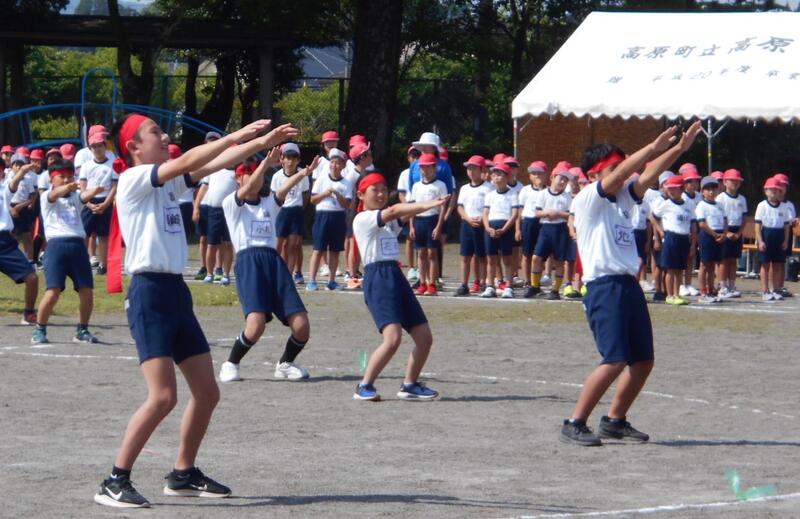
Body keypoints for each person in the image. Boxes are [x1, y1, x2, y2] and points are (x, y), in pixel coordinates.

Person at [93, 113, 297, 508]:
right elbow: (189, 160)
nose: (163, 135)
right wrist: (236, 134)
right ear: (133, 147)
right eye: (154, 132)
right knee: (163, 397)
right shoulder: (133, 178)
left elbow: (215, 162)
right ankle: (114, 480)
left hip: (175, 292)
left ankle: (182, 473)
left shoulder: (166, 183)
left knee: (206, 391)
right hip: (150, 293)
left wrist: (261, 143)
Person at [561, 121, 701, 447]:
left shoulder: (624, 199)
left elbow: (648, 175)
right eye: (613, 168)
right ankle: (575, 422)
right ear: (594, 175)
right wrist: (651, 147)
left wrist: (678, 149)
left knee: (643, 360)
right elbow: (626, 172)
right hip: (603, 286)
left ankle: (614, 420)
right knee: (614, 359)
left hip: (628, 284)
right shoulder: (588, 198)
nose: (622, 175)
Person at [218, 147, 313, 383]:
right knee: (256, 325)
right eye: (247, 174)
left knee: (302, 325)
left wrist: (303, 173)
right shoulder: (231, 204)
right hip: (249, 263)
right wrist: (266, 164)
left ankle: (285, 364)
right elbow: (250, 186)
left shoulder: (268, 203)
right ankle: (231, 363)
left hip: (273, 262)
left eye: (257, 174)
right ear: (237, 179)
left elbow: (282, 190)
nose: (254, 178)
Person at [351, 172, 448, 401]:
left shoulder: (388, 222)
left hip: (396, 276)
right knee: (392, 339)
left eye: (384, 189)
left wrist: (425, 206)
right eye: (375, 190)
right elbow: (395, 210)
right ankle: (364, 386)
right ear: (361, 195)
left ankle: (410, 385)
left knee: (424, 338)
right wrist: (429, 203)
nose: (381, 194)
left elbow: (401, 214)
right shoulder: (362, 219)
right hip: (378, 278)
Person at [32, 160, 104, 345]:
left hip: (78, 246)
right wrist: (68, 186)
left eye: (70, 176)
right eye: (61, 177)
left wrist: (96, 190)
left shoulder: (74, 197)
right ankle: (40, 329)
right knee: (53, 291)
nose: (66, 180)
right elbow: (55, 193)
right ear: (51, 179)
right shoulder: (47, 196)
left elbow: (83, 196)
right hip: (56, 247)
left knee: (87, 291)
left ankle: (82, 329)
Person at [1, 157, 39, 325]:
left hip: (4, 243)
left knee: (32, 278)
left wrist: (23, 170)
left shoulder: (3, 190)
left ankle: (29, 313)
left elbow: (13, 184)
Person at [307, 148, 351, 290]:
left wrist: (337, 194)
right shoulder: (322, 179)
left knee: (335, 251)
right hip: (322, 216)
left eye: (337, 163)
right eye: (332, 162)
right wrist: (325, 194)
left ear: (343, 165)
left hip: (338, 217)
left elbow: (347, 204)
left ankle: (332, 281)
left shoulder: (347, 183)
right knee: (318, 249)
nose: (334, 165)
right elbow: (313, 199)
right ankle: (312, 280)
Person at [78, 131, 119, 275]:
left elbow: (114, 186)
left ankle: (103, 264)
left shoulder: (112, 164)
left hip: (105, 201)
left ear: (105, 146)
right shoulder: (86, 166)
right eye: (94, 146)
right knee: (84, 233)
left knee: (103, 235)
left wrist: (106, 204)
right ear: (90, 149)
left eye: (100, 146)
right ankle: (82, 261)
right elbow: (82, 187)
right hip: (89, 201)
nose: (97, 149)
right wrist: (88, 204)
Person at [408, 153, 448, 296]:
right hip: (419, 220)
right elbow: (412, 207)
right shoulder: (416, 186)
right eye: (422, 168)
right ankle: (422, 282)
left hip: (432, 220)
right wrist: (411, 226)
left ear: (434, 168)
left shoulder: (440, 185)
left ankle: (432, 283)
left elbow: (442, 208)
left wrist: (439, 226)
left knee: (432, 253)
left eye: (428, 167)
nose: (425, 171)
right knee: (421, 253)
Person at [530, 166, 573, 300]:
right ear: (552, 177)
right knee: (536, 257)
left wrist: (558, 213)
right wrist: (547, 213)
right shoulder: (543, 194)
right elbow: (537, 213)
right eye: (561, 178)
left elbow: (571, 215)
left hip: (561, 230)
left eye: (566, 180)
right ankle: (535, 286)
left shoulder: (567, 197)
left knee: (559, 261)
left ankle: (555, 290)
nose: (563, 182)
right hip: (546, 229)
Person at [652, 174, 695, 306]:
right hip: (671, 237)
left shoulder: (689, 204)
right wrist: (660, 231)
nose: (670, 191)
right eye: (669, 188)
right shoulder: (666, 204)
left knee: (679, 269)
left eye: (674, 188)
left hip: (684, 238)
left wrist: (693, 242)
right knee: (670, 269)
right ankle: (669, 295)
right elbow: (653, 216)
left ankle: (677, 294)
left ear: (681, 188)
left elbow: (693, 223)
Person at [271, 143, 310, 285]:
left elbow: (305, 196)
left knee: (293, 245)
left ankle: (289, 274)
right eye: (288, 157)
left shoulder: (303, 175)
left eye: (294, 157)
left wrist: (300, 209)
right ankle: (275, 271)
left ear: (298, 160)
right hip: (281, 212)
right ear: (282, 159)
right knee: (278, 245)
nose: (290, 161)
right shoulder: (277, 176)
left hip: (296, 211)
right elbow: (272, 196)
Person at [481, 162, 520, 298]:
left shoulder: (513, 194)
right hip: (491, 228)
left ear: (507, 176)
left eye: (499, 174)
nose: (496, 177)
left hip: (506, 228)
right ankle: (490, 286)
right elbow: (485, 213)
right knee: (491, 258)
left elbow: (514, 214)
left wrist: (504, 229)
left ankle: (509, 286)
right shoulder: (490, 195)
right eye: (494, 175)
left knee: (507, 258)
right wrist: (487, 228)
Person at [197, 162, 237, 286]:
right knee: (211, 244)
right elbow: (204, 188)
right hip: (214, 210)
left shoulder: (237, 172)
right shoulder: (214, 169)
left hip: (230, 211)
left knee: (228, 244)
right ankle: (209, 274)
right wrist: (196, 207)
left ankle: (226, 274)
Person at [455, 155, 490, 296]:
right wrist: (468, 219)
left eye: (474, 168)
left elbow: (490, 207)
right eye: (469, 168)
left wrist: (483, 218)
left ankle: (483, 282)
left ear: (482, 170)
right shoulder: (464, 188)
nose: (471, 171)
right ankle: (464, 284)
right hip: (467, 224)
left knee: (482, 255)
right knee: (465, 256)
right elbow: (460, 207)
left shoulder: (489, 188)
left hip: (482, 224)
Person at [191, 131, 223, 281]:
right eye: (209, 142)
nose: (211, 144)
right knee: (204, 238)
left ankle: (218, 268)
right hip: (204, 204)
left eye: (215, 141)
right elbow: (200, 187)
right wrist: (196, 207)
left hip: (216, 206)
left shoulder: (224, 162)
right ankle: (204, 267)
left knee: (218, 239)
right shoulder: (200, 161)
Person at [755, 176, 791, 302]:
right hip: (766, 235)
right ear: (766, 191)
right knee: (765, 264)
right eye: (771, 189)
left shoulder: (784, 207)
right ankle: (765, 290)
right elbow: (757, 225)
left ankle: (776, 289)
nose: (774, 192)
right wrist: (760, 241)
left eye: (777, 189)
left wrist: (785, 240)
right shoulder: (762, 205)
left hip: (779, 236)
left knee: (777, 264)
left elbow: (786, 225)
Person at [694, 176, 727, 303]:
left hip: (719, 235)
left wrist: (724, 234)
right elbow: (702, 224)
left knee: (712, 265)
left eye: (714, 189)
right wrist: (714, 234)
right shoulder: (701, 205)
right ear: (702, 191)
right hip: (707, 236)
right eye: (708, 189)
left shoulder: (720, 205)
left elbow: (725, 220)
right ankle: (703, 292)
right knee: (704, 265)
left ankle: (711, 290)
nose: (711, 192)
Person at [715, 168, 747, 298]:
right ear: (725, 182)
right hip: (724, 230)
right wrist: (726, 232)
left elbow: (744, 218)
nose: (735, 183)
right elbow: (718, 216)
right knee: (723, 260)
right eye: (732, 180)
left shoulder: (742, 199)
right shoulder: (720, 198)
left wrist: (739, 233)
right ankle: (722, 286)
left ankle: (732, 285)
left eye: (737, 181)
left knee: (733, 260)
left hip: (737, 230)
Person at [518, 161, 546, 298]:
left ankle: (537, 282)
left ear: (546, 175)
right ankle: (527, 281)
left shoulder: (548, 191)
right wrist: (518, 228)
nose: (537, 176)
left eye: (539, 173)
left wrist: (541, 189)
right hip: (528, 222)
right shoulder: (525, 190)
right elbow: (520, 209)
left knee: (540, 255)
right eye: (534, 173)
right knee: (527, 254)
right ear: (529, 176)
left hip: (543, 223)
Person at [398, 146, 421, 282]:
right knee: (409, 238)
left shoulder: (423, 171)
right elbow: (401, 193)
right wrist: (408, 206)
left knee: (420, 238)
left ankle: (419, 266)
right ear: (408, 158)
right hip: (409, 208)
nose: (415, 159)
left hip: (422, 208)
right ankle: (412, 267)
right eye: (412, 156)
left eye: (417, 156)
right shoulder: (405, 174)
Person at [9, 152, 37, 262]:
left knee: (27, 235)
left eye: (21, 165)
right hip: (10, 207)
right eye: (16, 165)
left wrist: (22, 206)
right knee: (10, 235)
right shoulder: (7, 178)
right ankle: (11, 259)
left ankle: (30, 260)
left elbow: (32, 196)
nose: (18, 167)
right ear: (11, 166)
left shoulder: (28, 179)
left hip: (24, 207)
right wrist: (12, 209)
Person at [678, 163, 701, 298]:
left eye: (696, 181)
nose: (694, 184)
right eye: (691, 181)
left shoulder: (699, 196)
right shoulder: (682, 196)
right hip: (684, 229)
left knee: (691, 257)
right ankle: (680, 284)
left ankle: (688, 283)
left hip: (695, 229)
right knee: (682, 257)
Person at [772, 173, 795, 298]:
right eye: (779, 185)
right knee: (773, 262)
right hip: (774, 233)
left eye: (784, 186)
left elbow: (791, 220)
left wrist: (794, 221)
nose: (781, 188)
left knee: (781, 261)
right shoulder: (768, 204)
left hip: (786, 233)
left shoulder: (789, 204)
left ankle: (780, 286)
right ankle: (773, 286)